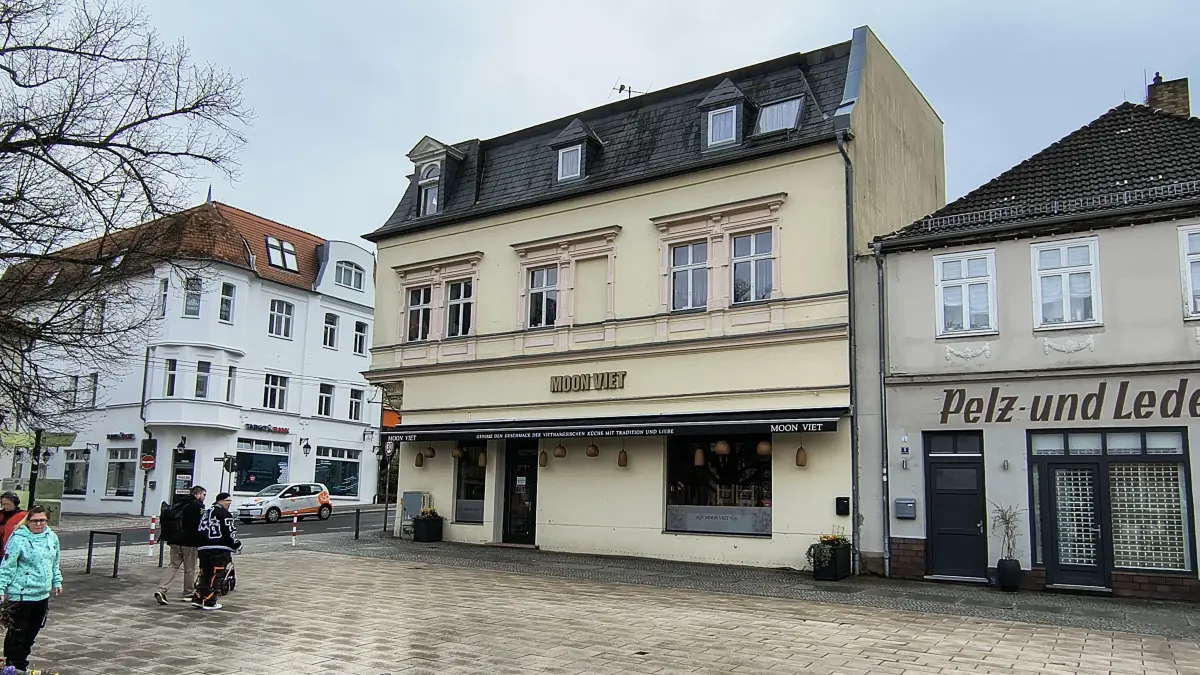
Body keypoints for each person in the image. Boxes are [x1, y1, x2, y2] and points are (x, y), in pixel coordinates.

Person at [0, 505, 62, 673]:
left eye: (42, 520)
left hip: (41, 595)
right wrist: (1, 588)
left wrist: (57, 581)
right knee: (17, 635)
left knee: (31, 635)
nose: (39, 524)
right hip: (20, 595)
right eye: (35, 521)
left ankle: (22, 665)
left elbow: (54, 561)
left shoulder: (52, 537)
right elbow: (7, 566)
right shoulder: (18, 538)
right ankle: (12, 667)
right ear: (28, 521)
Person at [154, 485, 206, 605]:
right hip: (190, 542)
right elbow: (200, 523)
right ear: (197, 494)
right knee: (190, 568)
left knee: (173, 565)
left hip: (175, 540)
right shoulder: (198, 505)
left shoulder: (179, 502)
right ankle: (188, 593)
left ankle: (161, 589)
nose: (204, 498)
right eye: (203, 495)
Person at [193, 492, 241, 611]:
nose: (229, 503)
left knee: (204, 573)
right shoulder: (225, 514)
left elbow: (199, 529)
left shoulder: (206, 512)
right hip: (219, 548)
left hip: (203, 548)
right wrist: (237, 545)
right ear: (221, 501)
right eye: (227, 501)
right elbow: (230, 531)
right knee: (215, 574)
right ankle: (210, 600)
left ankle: (198, 597)